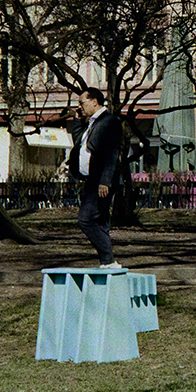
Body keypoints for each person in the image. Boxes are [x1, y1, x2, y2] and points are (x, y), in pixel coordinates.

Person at [70, 86, 123, 267]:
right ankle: (107, 263)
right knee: (100, 222)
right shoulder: (91, 123)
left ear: (94, 101)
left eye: (81, 103)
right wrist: (77, 121)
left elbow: (112, 154)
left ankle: (109, 260)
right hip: (91, 180)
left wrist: (105, 181)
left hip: (101, 180)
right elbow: (79, 143)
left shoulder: (109, 121)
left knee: (85, 219)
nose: (79, 107)